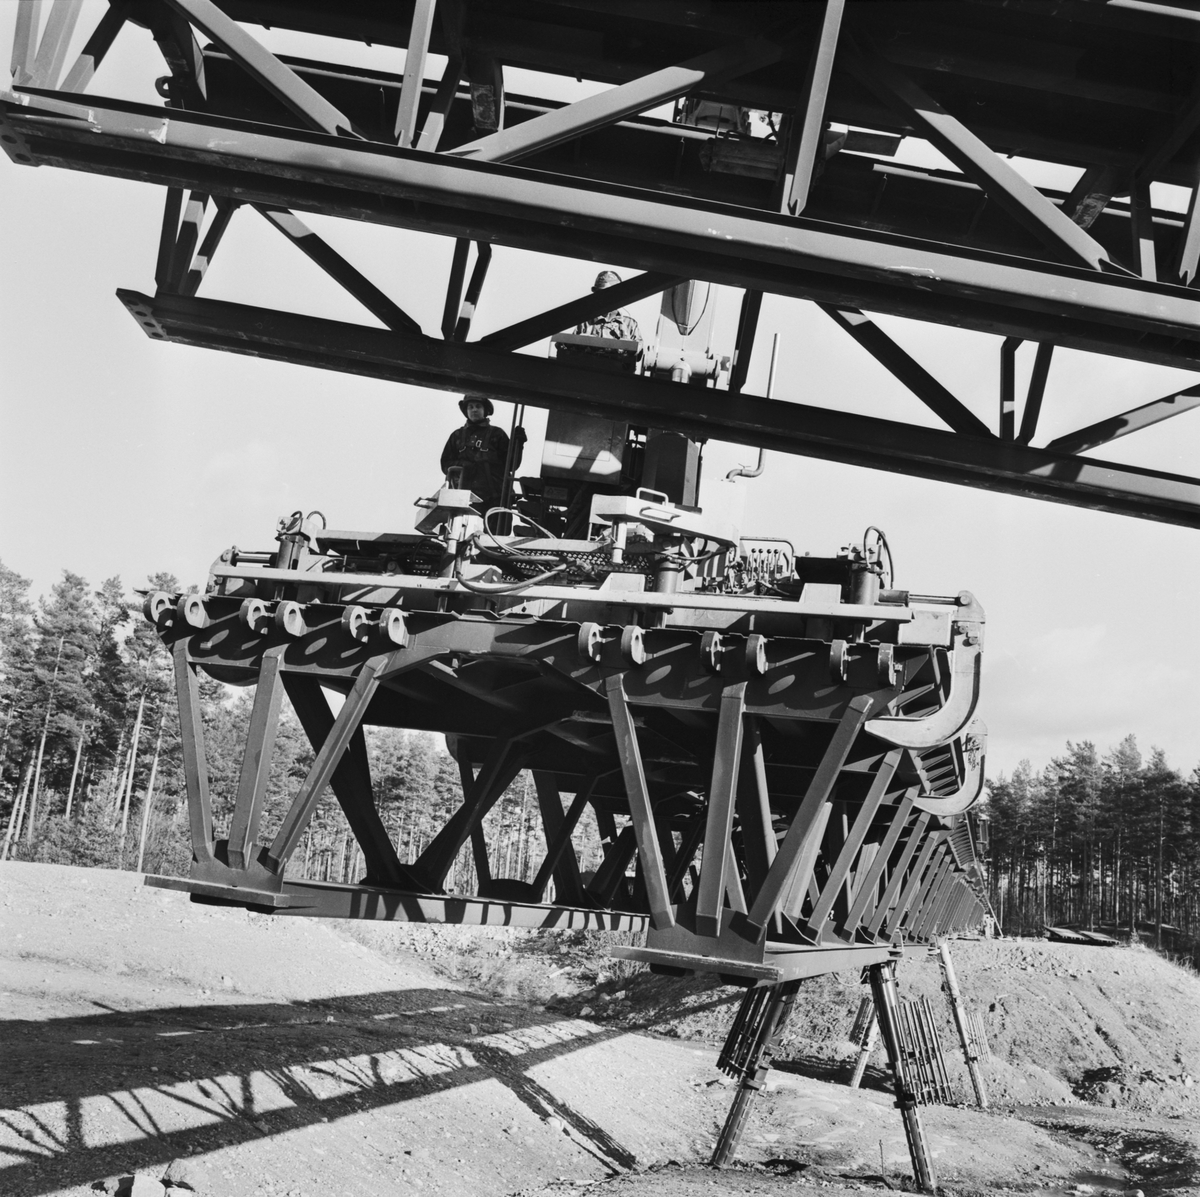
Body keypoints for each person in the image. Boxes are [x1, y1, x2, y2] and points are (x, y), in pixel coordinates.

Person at [440, 396, 524, 517]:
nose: (474, 410)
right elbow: (445, 464)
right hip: (466, 499)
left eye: (478, 406)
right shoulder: (457, 436)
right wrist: (462, 465)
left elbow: (511, 465)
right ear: (466, 411)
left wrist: (518, 445)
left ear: (485, 410)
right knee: (463, 527)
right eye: (470, 407)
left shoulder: (497, 434)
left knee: (498, 528)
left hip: (496, 498)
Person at [574, 270, 641, 341]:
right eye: (601, 293)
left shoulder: (630, 325)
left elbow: (639, 346)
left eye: (611, 293)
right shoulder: (585, 323)